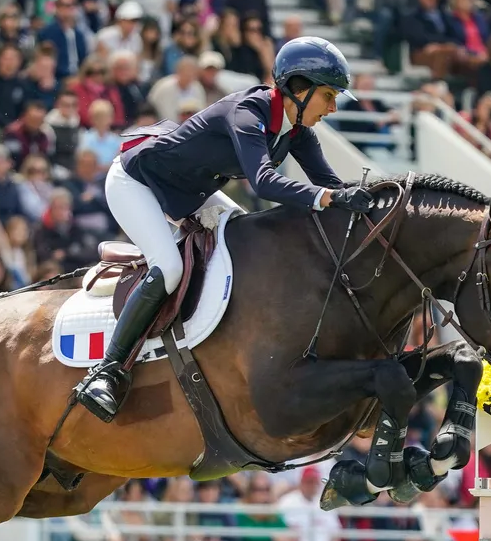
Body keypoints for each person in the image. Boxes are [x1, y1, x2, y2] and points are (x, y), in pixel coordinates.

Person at [73, 38, 365, 422]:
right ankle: (107, 372)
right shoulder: (248, 112)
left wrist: (373, 200)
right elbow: (263, 182)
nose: (332, 107)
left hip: (189, 193)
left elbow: (331, 184)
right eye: (328, 95)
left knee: (246, 239)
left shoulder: (296, 130)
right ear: (298, 87)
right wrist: (326, 198)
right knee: (170, 268)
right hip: (137, 183)